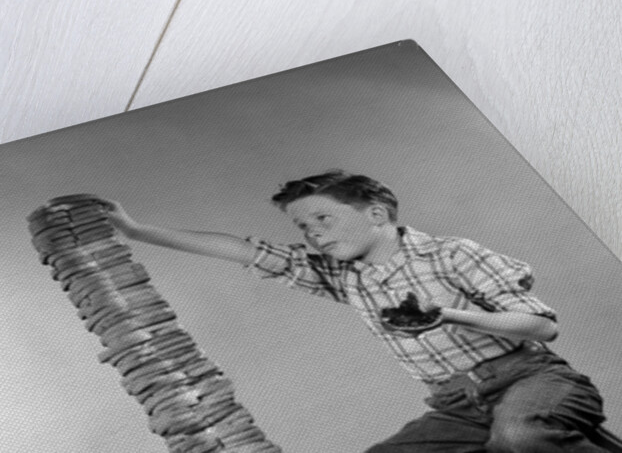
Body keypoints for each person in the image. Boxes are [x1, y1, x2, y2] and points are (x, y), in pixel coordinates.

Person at [104, 170, 622, 452]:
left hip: (530, 379)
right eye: (304, 228)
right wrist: (136, 230)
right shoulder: (340, 276)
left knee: (522, 435)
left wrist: (452, 315)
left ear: (376, 214)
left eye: (323, 218)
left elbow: (542, 325)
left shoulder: (451, 253)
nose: (314, 234)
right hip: (456, 404)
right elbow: (242, 249)